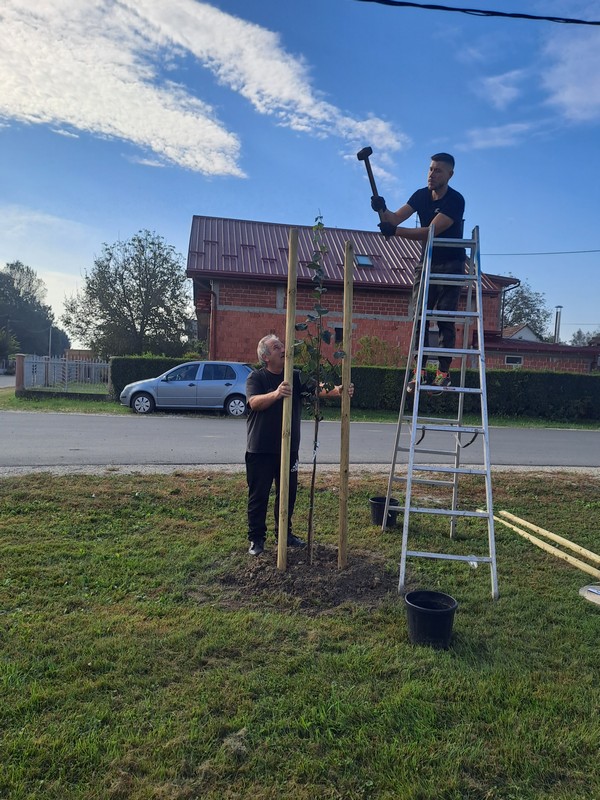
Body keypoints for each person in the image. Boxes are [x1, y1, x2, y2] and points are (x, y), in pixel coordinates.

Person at [245, 334, 352, 556]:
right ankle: (256, 539)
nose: (283, 349)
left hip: (289, 449)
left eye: (282, 345)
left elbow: (319, 388)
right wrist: (276, 394)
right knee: (259, 495)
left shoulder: (295, 376)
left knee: (288, 493)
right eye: (276, 347)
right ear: (266, 357)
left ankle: (285, 534)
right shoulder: (256, 378)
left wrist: (340, 390)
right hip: (261, 449)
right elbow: (254, 403)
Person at [372, 153, 465, 391]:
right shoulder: (421, 195)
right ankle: (420, 371)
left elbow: (430, 232)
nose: (432, 175)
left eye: (438, 171)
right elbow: (394, 217)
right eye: (431, 169)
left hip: (451, 264)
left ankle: (443, 372)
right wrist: (382, 208)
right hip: (428, 263)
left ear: (450, 175)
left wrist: (395, 231)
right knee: (419, 318)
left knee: (444, 318)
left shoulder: (455, 200)